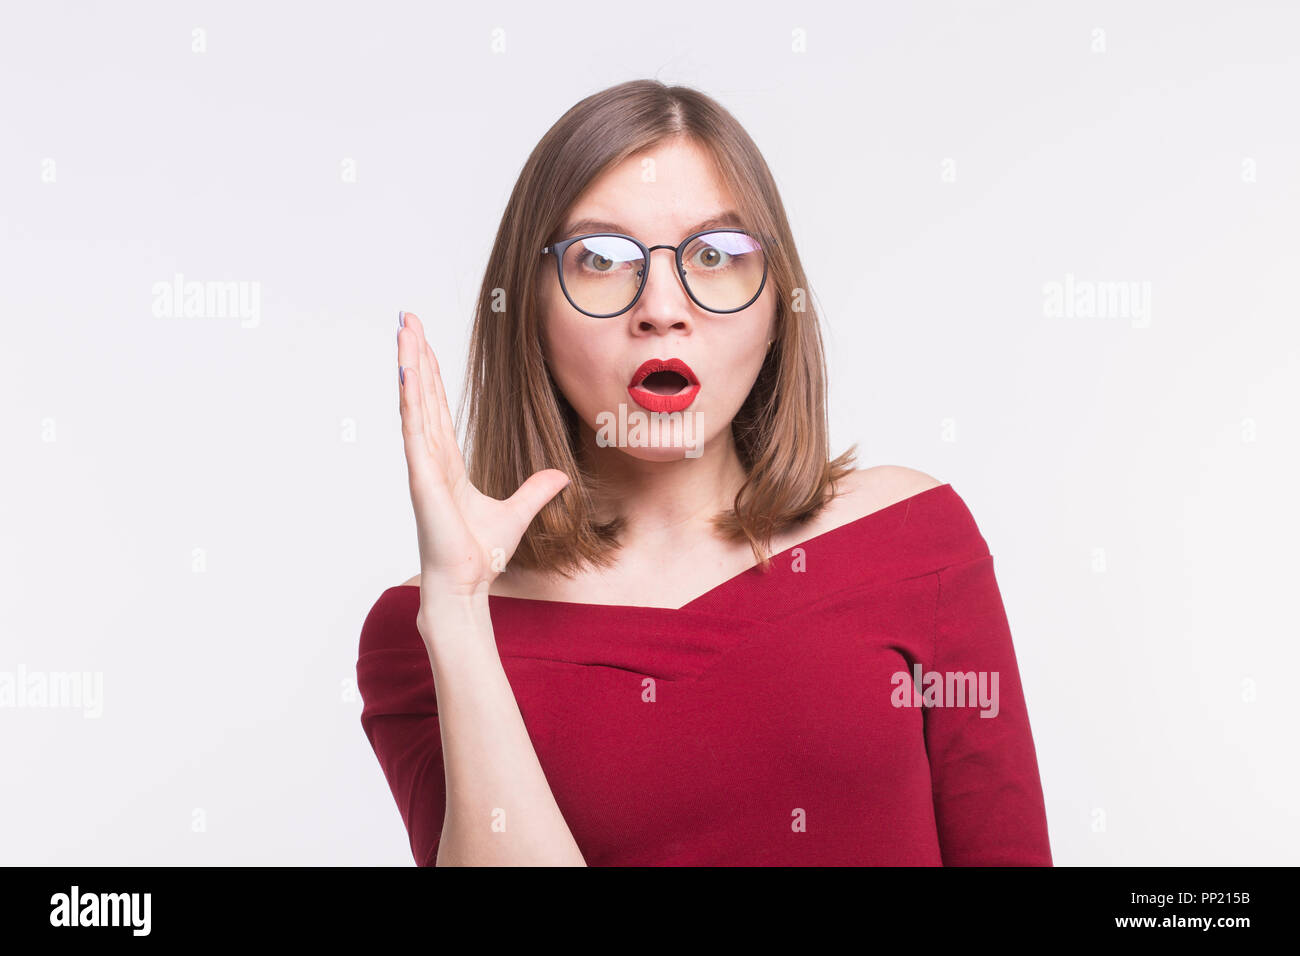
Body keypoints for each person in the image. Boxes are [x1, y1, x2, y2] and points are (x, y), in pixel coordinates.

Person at [357, 79, 1052, 866]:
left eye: (715, 255)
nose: (661, 306)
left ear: (776, 303)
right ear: (529, 307)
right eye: (601, 258)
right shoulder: (425, 632)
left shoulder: (914, 540)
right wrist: (458, 610)